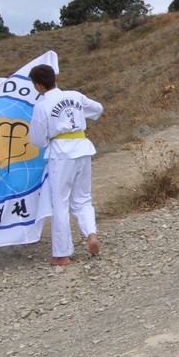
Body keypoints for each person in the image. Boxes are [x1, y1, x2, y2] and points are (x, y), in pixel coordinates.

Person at [28, 64, 103, 266]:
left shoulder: (42, 106)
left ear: (37, 86)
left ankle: (62, 254)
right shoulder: (74, 96)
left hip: (61, 154)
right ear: (54, 79)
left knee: (60, 202)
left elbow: (37, 139)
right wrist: (76, 116)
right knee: (83, 198)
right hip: (83, 148)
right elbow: (98, 109)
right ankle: (91, 234)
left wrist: (52, 136)